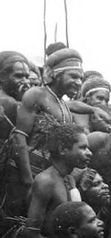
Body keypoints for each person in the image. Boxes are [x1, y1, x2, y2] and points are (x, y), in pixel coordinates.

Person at [13, 48, 110, 193]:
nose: (78, 83)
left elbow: (74, 105)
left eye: (81, 79)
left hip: (49, 176)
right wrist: (28, 180)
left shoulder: (63, 105)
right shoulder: (36, 94)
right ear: (57, 75)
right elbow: (19, 137)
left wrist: (93, 109)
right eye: (73, 76)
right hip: (25, 174)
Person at [22, 124, 92, 237]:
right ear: (63, 149)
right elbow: (31, 232)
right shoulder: (46, 182)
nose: (89, 153)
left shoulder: (69, 177)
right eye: (83, 147)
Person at [0, 51, 31, 220]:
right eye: (19, 76)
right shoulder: (10, 103)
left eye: (27, 76)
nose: (25, 82)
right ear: (2, 77)